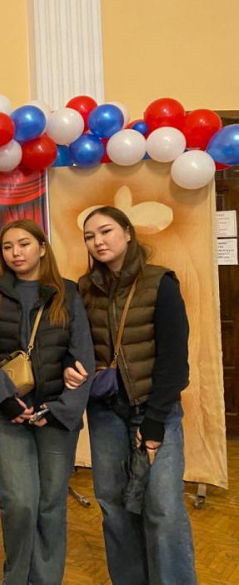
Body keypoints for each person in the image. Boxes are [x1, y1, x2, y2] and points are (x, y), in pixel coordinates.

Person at [73, 206, 197, 584]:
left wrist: (157, 419)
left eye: (106, 231)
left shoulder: (160, 283)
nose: (98, 241)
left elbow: (175, 359)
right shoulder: (83, 289)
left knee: (162, 508)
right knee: (114, 506)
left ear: (128, 233)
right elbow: (79, 350)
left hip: (154, 411)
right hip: (106, 412)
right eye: (90, 237)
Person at [0, 219, 93, 585]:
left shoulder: (67, 293)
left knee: (51, 505)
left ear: (41, 247)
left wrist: (61, 410)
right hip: (10, 416)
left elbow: (82, 354)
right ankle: (16, 577)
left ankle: (46, 579)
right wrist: (5, 402)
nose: (16, 253)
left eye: (23, 244)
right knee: (19, 503)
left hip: (56, 416)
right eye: (8, 247)